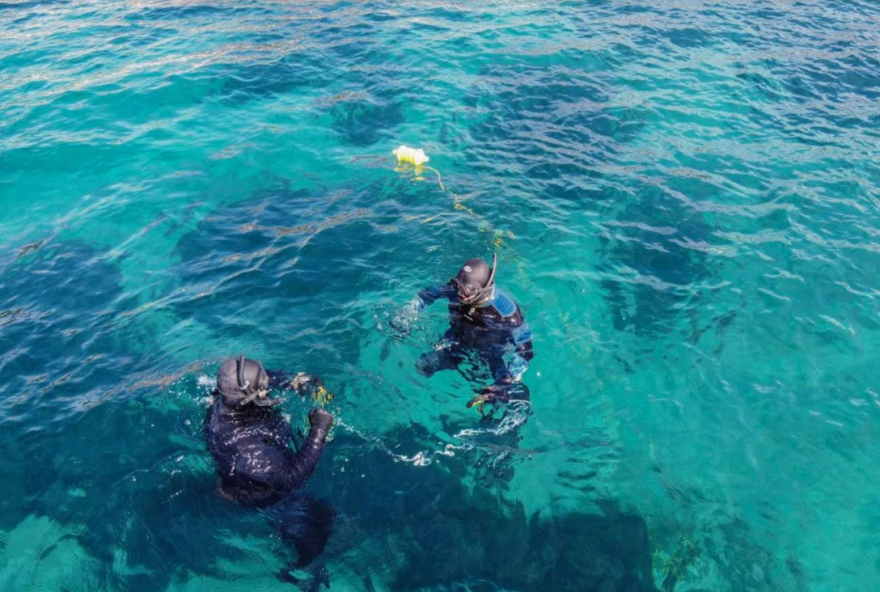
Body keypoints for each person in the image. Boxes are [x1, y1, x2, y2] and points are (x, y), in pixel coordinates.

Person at [205, 355, 335, 589]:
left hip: (254, 465)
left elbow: (261, 381)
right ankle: (302, 571)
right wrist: (319, 431)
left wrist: (294, 381)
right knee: (321, 520)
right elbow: (292, 478)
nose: (267, 387)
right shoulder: (251, 452)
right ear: (248, 398)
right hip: (265, 494)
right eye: (263, 387)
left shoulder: (225, 396)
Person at [394, 254, 534, 412]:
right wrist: (410, 310)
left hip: (491, 351)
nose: (459, 292)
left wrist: (514, 373)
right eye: (458, 285)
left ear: (482, 290)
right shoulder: (458, 289)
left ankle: (505, 398)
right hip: (457, 338)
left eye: (465, 290)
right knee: (422, 366)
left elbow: (525, 348)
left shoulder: (506, 312)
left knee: (505, 387)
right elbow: (431, 292)